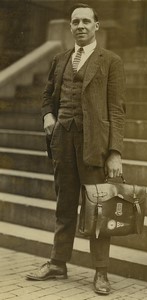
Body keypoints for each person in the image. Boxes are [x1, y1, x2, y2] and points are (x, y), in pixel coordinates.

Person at [26, 2, 126, 295]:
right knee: (64, 206)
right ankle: (58, 263)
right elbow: (47, 96)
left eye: (86, 21)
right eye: (75, 22)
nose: (80, 26)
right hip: (62, 143)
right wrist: (48, 116)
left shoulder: (110, 61)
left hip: (94, 145)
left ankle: (101, 272)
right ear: (70, 27)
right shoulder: (59, 60)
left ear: (97, 26)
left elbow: (117, 110)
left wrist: (115, 152)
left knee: (98, 210)